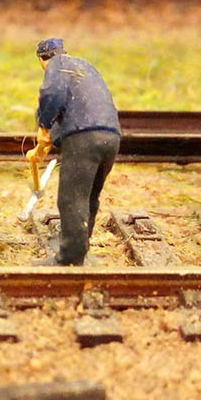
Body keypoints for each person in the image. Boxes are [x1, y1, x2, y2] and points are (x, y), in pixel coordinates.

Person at [31, 38, 120, 266]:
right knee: (89, 196)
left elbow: (51, 94)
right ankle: (81, 249)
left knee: (71, 198)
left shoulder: (56, 66)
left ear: (42, 59)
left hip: (84, 137)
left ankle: (69, 258)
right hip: (111, 136)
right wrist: (54, 140)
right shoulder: (85, 67)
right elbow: (77, 106)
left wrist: (43, 126)